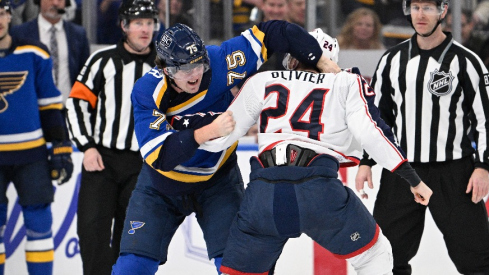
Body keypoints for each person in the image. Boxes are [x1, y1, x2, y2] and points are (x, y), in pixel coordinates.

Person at [111, 21, 340, 274]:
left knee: (241, 267)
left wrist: (322, 62)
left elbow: (275, 31)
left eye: (198, 63)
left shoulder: (221, 60)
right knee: (131, 267)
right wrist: (208, 131)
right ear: (165, 68)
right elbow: (161, 156)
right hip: (161, 187)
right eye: (185, 69)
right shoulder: (146, 90)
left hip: (218, 182)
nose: (195, 73)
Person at [198, 28, 433, 275]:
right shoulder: (345, 81)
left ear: (293, 56)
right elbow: (373, 133)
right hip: (318, 190)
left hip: (263, 193)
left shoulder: (264, 79)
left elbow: (220, 134)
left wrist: (178, 140)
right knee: (375, 255)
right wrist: (413, 179)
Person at [355, 0, 489, 274]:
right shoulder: (391, 60)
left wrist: (483, 166)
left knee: (477, 258)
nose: (420, 14)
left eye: (427, 7)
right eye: (415, 7)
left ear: (443, 11)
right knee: (386, 257)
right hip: (403, 172)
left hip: (455, 174)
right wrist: (366, 161)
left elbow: (484, 120)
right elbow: (378, 118)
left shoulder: (466, 61)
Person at [65, 0, 158, 274]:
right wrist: (87, 146)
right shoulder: (101, 60)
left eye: (150, 23)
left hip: (143, 166)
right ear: (124, 26)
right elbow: (76, 103)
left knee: (131, 240)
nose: (145, 29)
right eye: (139, 23)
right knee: (92, 233)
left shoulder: (165, 66)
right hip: (101, 161)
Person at [0, 0, 73, 274]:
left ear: (9, 16)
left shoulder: (34, 52)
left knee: (39, 223)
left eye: (2, 13)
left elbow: (50, 104)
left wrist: (61, 147)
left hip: (32, 155)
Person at [10, 0, 90, 104]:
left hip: (68, 108)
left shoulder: (78, 34)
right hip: (35, 108)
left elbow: (85, 75)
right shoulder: (20, 33)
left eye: (60, 0)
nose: (55, 3)